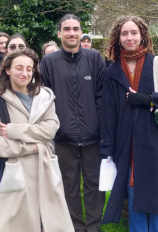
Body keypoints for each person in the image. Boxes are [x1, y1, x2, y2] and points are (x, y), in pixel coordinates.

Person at [100, 16, 158, 231]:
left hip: (153, 142)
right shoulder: (112, 72)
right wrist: (108, 149)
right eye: (124, 33)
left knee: (156, 196)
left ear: (142, 36)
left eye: (134, 33)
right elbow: (108, 114)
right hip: (125, 145)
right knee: (133, 194)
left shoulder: (157, 64)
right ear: (117, 38)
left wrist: (148, 99)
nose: (130, 37)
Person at [0, 48, 74, 232]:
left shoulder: (44, 97)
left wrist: (14, 131)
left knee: (51, 220)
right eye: (19, 68)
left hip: (45, 167)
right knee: (19, 223)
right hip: (16, 170)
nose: (25, 73)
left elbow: (51, 129)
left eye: (29, 69)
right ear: (7, 69)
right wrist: (29, 148)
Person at [40, 14, 106, 232]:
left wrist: (96, 123)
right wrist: (56, 125)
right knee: (68, 186)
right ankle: (75, 226)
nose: (71, 33)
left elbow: (101, 94)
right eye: (66, 29)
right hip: (63, 136)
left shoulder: (95, 58)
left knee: (94, 185)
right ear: (59, 33)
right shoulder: (49, 62)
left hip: (92, 137)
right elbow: (45, 97)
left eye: (76, 29)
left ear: (81, 32)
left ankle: (93, 226)